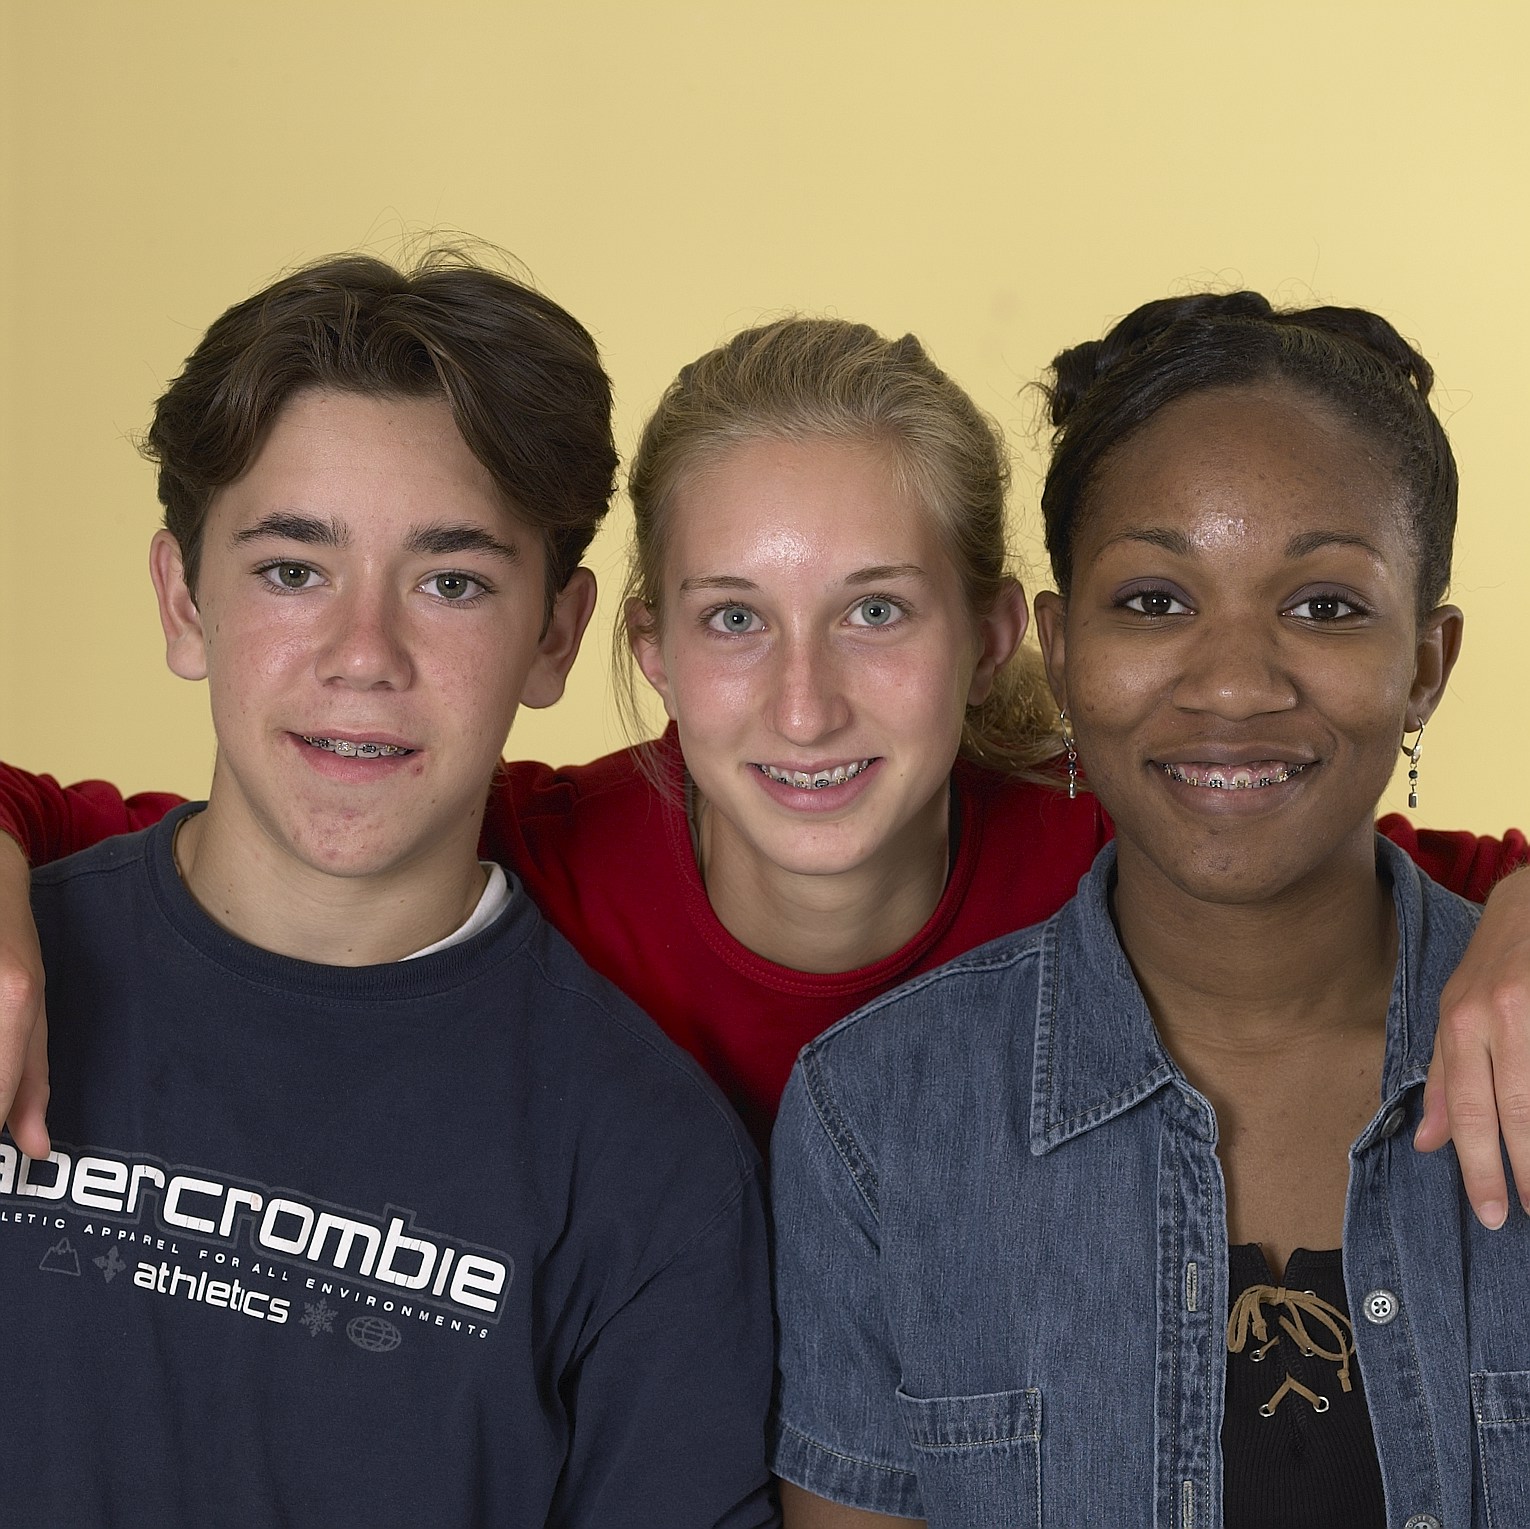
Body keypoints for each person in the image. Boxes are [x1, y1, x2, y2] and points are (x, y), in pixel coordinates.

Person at [2, 316, 1529, 1203]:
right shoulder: (520, 853)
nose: (804, 706)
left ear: (1000, 634)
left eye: (874, 610)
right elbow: (95, 827)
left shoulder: (1123, 856)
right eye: (737, 618)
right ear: (649, 646)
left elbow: (1429, 890)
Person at [0, 252, 776, 1527]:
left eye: (451, 581)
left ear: (556, 634)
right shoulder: (22, 979)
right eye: (292, 570)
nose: (365, 654)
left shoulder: (651, 1168)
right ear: (183, 599)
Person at [768, 293, 1529, 1527]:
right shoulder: (880, 1119)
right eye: (1156, 601)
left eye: (1326, 605)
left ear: (1427, 664)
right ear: (1060, 649)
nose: (1234, 680)